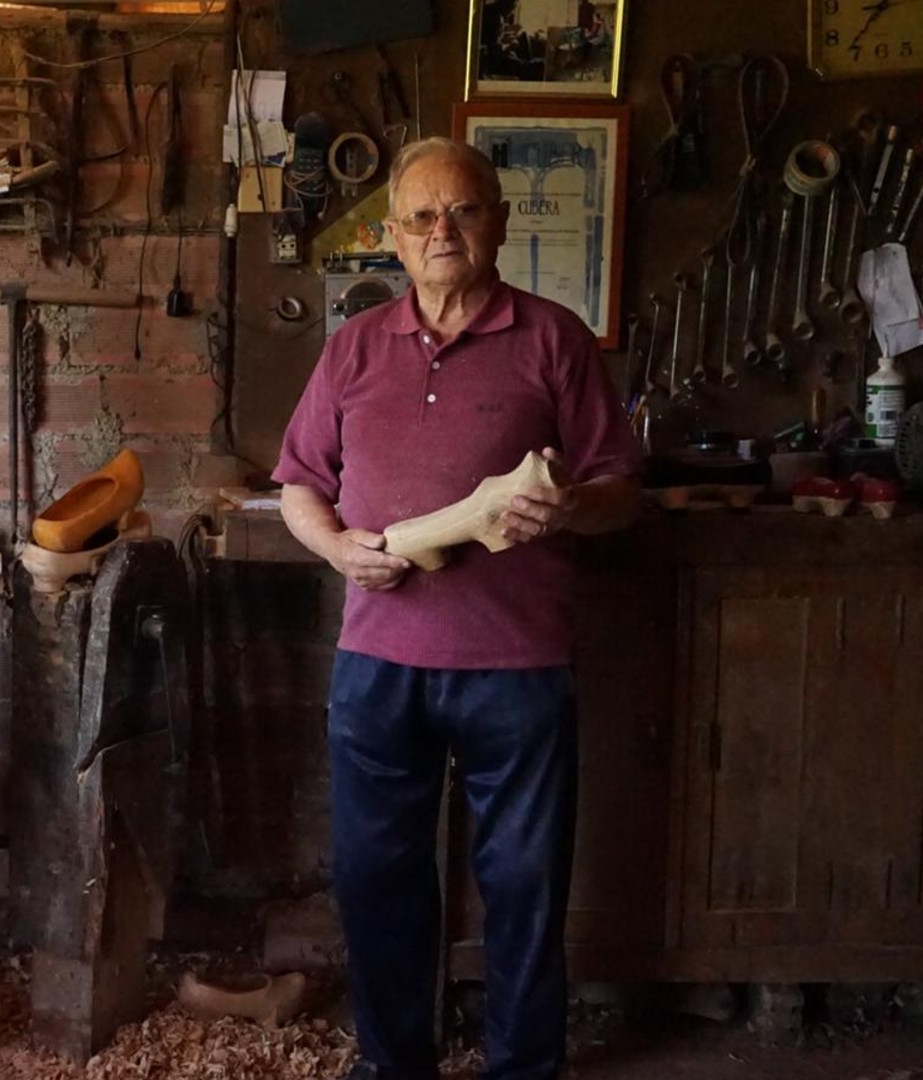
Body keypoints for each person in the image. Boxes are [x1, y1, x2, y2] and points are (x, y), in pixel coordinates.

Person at [273, 137, 641, 1080]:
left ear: (499, 223)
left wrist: (572, 506)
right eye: (423, 216)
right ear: (395, 236)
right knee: (376, 878)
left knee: (523, 883)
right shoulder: (354, 346)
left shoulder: (554, 338)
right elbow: (300, 484)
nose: (444, 230)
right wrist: (337, 547)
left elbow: (620, 489)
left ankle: (523, 1067)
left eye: (464, 210)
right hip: (378, 660)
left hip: (516, 663)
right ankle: (395, 1063)